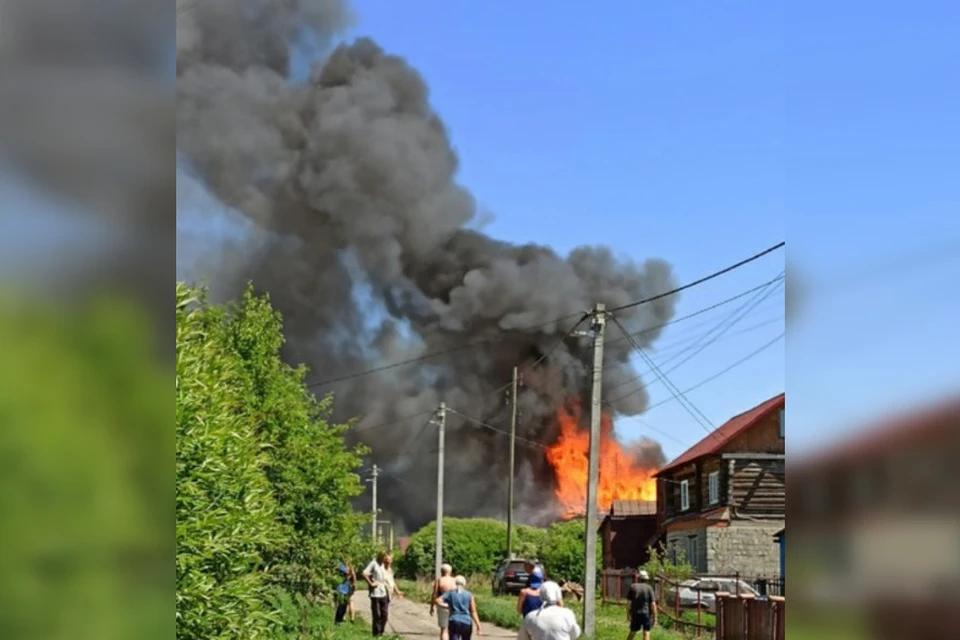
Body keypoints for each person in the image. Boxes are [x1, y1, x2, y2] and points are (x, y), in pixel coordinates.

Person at [362, 552, 404, 636]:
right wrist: (371, 583)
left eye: (389, 560)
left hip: (385, 593)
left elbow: (392, 582)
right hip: (375, 593)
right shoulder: (376, 564)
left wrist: (397, 591)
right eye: (386, 560)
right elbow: (365, 573)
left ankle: (380, 632)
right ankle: (376, 634)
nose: (388, 562)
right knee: (377, 614)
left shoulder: (387, 568)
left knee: (384, 615)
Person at [434, 575, 482, 640]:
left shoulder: (450, 593)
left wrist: (446, 606)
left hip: (454, 620)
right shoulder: (469, 595)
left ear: (455, 583)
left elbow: (437, 600)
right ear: (464, 584)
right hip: (466, 621)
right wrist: (478, 624)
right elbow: (473, 611)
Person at [625, 570, 658, 640]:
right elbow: (653, 604)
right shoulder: (649, 588)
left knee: (632, 632)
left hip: (635, 613)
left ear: (638, 578)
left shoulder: (633, 587)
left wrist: (628, 615)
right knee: (646, 633)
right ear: (646, 579)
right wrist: (655, 618)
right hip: (646, 614)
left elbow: (628, 603)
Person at [430, 563, 457, 640]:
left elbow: (434, 595)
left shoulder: (439, 580)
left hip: (442, 605)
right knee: (453, 629)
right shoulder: (455, 580)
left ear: (442, 571)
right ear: (450, 571)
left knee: (444, 629)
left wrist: (432, 607)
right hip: (454, 606)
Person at [334, 557, 357, 624]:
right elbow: (347, 573)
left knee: (344, 605)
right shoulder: (339, 564)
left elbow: (352, 574)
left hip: (346, 588)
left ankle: (339, 620)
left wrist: (354, 583)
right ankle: (337, 620)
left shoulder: (348, 565)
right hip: (339, 588)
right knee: (340, 605)